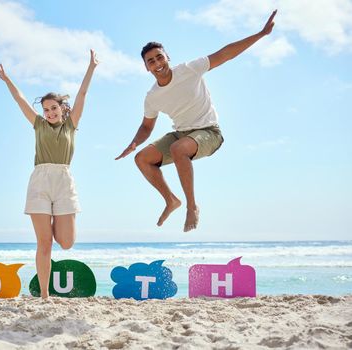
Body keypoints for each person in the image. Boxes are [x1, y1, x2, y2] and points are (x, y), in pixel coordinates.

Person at [116, 10, 277, 232]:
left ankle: (191, 207)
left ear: (167, 57)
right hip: (181, 134)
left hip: (209, 132)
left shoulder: (189, 70)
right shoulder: (152, 96)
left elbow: (226, 53)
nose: (157, 63)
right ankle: (171, 200)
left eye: (159, 57)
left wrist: (260, 34)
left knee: (178, 148)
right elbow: (146, 126)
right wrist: (134, 143)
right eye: (151, 61)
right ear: (147, 67)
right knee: (142, 158)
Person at [0, 50, 98, 298]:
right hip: (40, 182)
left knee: (66, 242)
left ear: (62, 108)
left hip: (63, 182)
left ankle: (55, 224)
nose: (50, 113)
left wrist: (91, 68)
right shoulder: (39, 125)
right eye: (46, 109)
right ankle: (44, 295)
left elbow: (83, 93)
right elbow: (20, 100)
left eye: (53, 108)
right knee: (44, 243)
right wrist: (8, 80)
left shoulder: (71, 124)